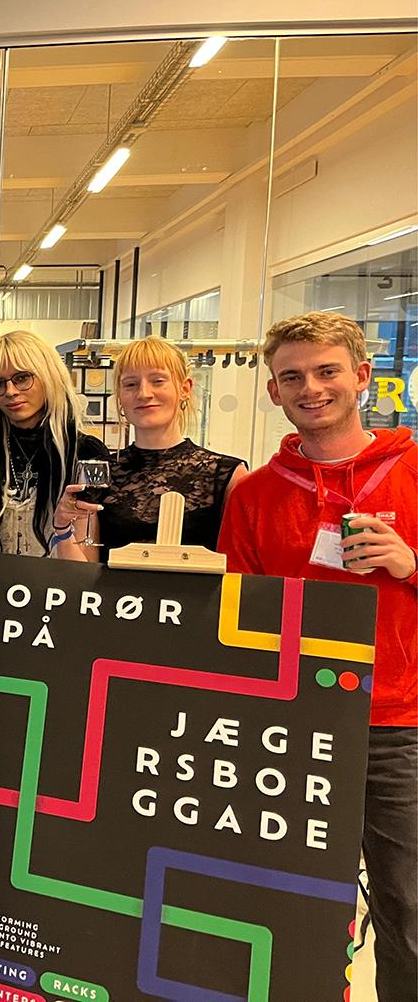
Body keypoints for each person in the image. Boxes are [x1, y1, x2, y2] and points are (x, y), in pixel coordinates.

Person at [217, 312, 416, 1001]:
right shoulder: (256, 496)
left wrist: (411, 563)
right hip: (293, 727)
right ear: (273, 392)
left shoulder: (413, 469)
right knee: (294, 914)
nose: (312, 388)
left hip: (397, 727)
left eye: (328, 370)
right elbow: (238, 615)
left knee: (408, 913)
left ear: (363, 376)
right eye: (292, 376)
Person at [90, 336, 246, 553]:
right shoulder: (99, 471)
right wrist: (63, 528)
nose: (144, 393)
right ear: (120, 397)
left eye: (158, 381)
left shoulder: (227, 474)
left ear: (185, 389)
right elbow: (82, 568)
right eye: (131, 384)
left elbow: (239, 569)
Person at [0, 330, 110, 561]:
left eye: (22, 378)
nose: (10, 392)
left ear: (49, 377)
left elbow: (88, 560)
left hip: (56, 591)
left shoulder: (85, 453)